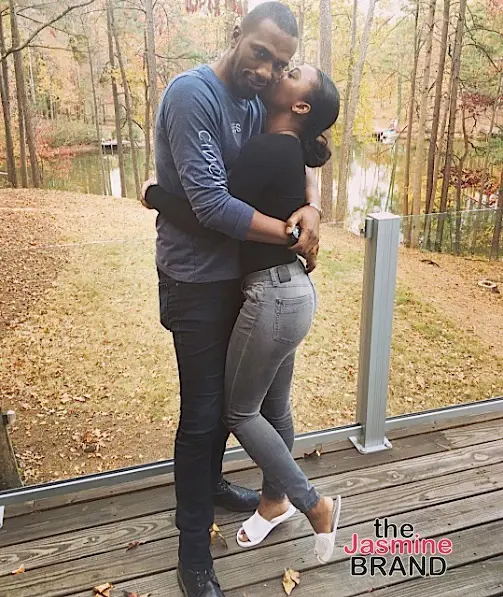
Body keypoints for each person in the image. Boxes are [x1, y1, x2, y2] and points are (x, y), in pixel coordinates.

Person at [145, 4, 322, 596]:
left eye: (280, 63)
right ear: (236, 35)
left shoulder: (258, 100)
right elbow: (212, 207)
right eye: (260, 53)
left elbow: (306, 145)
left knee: (233, 405)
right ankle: (193, 549)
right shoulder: (193, 95)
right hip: (197, 280)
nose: (267, 70)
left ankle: (213, 485)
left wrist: (313, 206)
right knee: (202, 417)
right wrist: (293, 235)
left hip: (246, 283)